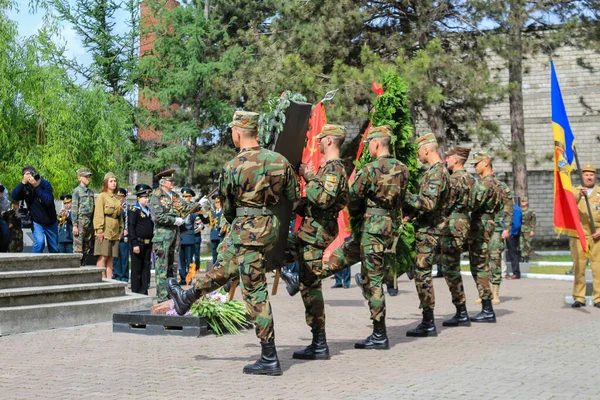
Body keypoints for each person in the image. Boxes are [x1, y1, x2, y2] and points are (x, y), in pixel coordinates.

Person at [168, 110, 300, 376]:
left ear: (238, 133)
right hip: (271, 230)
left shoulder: (232, 167)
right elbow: (293, 199)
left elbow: (227, 210)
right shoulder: (279, 161)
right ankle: (187, 296)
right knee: (226, 267)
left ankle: (269, 357)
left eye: (232, 132)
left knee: (254, 293)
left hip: (247, 232)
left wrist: (246, 219)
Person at [288, 125, 408, 350]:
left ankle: (380, 334)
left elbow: (353, 200)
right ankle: (302, 278)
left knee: (372, 281)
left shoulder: (370, 170)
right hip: (388, 229)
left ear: (375, 143)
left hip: (371, 230)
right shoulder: (403, 169)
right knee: (337, 260)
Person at [277, 124, 349, 359]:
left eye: (320, 140)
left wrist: (307, 175)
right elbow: (314, 202)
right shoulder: (329, 168)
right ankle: (292, 277)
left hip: (316, 232)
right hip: (311, 229)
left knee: (310, 286)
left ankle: (319, 343)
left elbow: (323, 199)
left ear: (329, 141)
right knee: (279, 248)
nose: (317, 143)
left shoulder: (333, 168)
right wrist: (294, 204)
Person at [404, 133, 450, 337]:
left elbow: (429, 203)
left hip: (430, 230)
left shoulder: (436, 173)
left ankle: (428, 322)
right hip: (428, 227)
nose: (417, 156)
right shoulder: (435, 171)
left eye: (418, 151)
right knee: (420, 272)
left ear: (426, 150)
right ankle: (427, 319)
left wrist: (403, 193)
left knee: (422, 274)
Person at [439, 146, 475, 328]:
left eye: (449, 157)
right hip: (465, 223)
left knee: (450, 269)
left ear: (457, 160)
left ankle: (461, 311)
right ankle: (461, 311)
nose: (447, 160)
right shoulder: (471, 179)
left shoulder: (454, 180)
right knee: (451, 267)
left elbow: (445, 202)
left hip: (452, 225)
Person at [467, 151, 504, 322]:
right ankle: (487, 306)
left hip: (480, 227)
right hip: (486, 225)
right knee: (481, 266)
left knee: (479, 266)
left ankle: (487, 308)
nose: (474, 166)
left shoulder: (485, 184)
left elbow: (471, 203)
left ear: (486, 163)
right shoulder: (496, 183)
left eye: (477, 163)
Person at [150, 170, 196, 303]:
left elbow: (186, 207)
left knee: (173, 266)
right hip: (162, 236)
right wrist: (174, 220)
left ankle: (172, 295)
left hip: (174, 235)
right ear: (163, 183)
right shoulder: (157, 195)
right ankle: (162, 297)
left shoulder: (174, 196)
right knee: (162, 267)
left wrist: (199, 204)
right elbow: (157, 216)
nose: (173, 183)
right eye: (170, 181)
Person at [570, 164, 600, 308]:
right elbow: (567, 207)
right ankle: (579, 297)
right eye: (586, 175)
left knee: (598, 268)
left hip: (597, 235)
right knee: (579, 267)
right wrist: (578, 196)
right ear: (582, 176)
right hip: (579, 235)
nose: (589, 177)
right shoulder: (575, 191)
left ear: (595, 176)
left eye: (591, 175)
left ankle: (598, 298)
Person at [11, 166, 58, 253]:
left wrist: (36, 186)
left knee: (54, 247)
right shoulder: (25, 187)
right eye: (26, 174)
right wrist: (22, 183)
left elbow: (48, 201)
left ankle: (55, 265)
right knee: (40, 243)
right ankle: (34, 264)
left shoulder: (45, 184)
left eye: (30, 174)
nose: (29, 177)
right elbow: (14, 196)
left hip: (51, 221)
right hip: (37, 221)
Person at [483, 176, 512, 305]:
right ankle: (484, 293)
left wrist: (507, 228)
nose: (475, 167)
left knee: (495, 258)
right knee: (482, 259)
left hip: (496, 227)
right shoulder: (479, 184)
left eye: (477, 164)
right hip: (482, 228)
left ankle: (495, 293)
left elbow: (509, 208)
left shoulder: (501, 186)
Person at [93, 172, 124, 279]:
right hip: (105, 230)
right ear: (106, 183)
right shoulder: (102, 196)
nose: (113, 183)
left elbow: (120, 217)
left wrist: (121, 230)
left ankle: (110, 282)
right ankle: (101, 281)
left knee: (111, 258)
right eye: (111, 181)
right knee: (103, 257)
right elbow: (98, 214)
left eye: (115, 181)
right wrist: (99, 231)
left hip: (114, 231)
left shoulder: (117, 198)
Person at [128, 184, 154, 295]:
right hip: (138, 242)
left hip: (148, 243)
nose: (147, 199)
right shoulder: (134, 210)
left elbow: (150, 228)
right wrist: (134, 243)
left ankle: (144, 290)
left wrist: (152, 243)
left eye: (148, 197)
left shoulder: (148, 210)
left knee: (146, 267)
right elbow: (131, 227)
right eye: (145, 197)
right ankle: (136, 291)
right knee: (137, 268)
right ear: (138, 198)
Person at [72, 168, 95, 264]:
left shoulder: (90, 192)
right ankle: (77, 268)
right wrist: (74, 225)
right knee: (78, 247)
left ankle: (84, 266)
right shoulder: (77, 191)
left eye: (89, 176)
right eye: (85, 176)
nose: (88, 178)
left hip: (89, 222)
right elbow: (74, 209)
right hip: (80, 221)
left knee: (87, 246)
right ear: (79, 178)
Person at [179, 187, 200, 284]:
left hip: (189, 237)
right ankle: (183, 278)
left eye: (186, 196)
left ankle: (189, 277)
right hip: (180, 238)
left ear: (190, 198)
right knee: (181, 260)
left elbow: (199, 224)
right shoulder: (178, 208)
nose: (184, 198)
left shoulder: (193, 209)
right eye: (183, 196)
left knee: (189, 260)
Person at [112, 188, 130, 282]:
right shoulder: (114, 206)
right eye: (118, 196)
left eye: (121, 197)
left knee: (124, 257)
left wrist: (126, 230)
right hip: (114, 234)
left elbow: (128, 219)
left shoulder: (127, 207)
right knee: (116, 256)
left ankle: (124, 276)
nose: (119, 198)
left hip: (124, 235)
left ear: (124, 197)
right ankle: (116, 274)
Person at [505, 198, 523, 279]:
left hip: (512, 234)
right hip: (510, 233)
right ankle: (515, 272)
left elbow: (516, 224)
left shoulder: (515, 209)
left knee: (513, 254)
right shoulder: (511, 208)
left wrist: (510, 232)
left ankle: (516, 273)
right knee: (511, 253)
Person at [209, 196, 224, 265]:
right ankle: (214, 266)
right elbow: (207, 221)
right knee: (214, 253)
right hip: (214, 235)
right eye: (216, 203)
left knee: (221, 252)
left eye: (219, 202)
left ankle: (220, 267)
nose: (217, 204)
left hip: (221, 235)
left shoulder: (224, 212)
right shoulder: (212, 213)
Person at [520, 197, 536, 262]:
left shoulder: (531, 211)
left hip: (528, 229)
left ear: (527, 202)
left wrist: (532, 230)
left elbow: (533, 221)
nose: (523, 203)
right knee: (521, 244)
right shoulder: (519, 210)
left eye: (524, 201)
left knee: (527, 244)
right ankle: (522, 256)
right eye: (522, 201)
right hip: (520, 229)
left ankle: (527, 256)